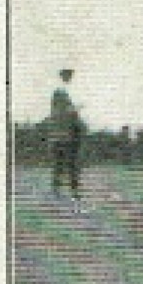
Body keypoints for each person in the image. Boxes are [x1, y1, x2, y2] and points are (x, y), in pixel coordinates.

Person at [47, 68, 85, 198]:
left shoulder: (64, 93)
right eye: (67, 74)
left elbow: (67, 113)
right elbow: (64, 112)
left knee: (67, 164)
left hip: (65, 134)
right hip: (63, 135)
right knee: (64, 164)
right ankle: (62, 190)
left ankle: (66, 190)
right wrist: (74, 110)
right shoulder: (60, 92)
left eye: (70, 74)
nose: (69, 77)